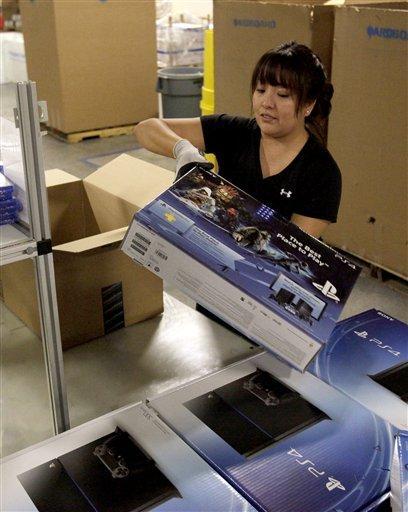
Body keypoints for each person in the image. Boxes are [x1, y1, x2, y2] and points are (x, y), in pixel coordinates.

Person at [134, 40, 341, 239]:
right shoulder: (234, 132)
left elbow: (290, 251)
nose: (266, 103)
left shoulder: (322, 173)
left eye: (283, 95)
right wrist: (182, 149)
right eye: (261, 90)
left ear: (308, 105)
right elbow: (146, 129)